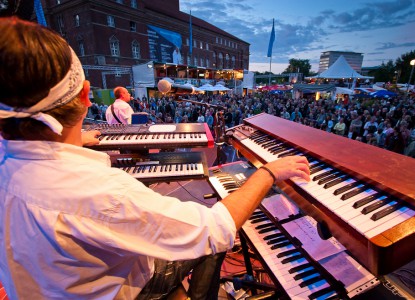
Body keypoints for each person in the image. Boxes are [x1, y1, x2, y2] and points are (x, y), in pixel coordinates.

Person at [0, 18, 310, 300]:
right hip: (125, 291)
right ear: (84, 95)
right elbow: (216, 228)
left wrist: (74, 138)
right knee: (212, 243)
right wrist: (267, 173)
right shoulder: (102, 192)